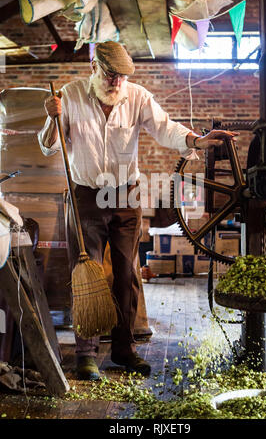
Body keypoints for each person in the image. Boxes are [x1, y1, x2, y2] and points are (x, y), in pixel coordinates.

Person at [38, 41, 238, 380]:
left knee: (127, 275)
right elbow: (48, 146)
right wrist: (50, 118)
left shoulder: (137, 96)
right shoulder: (69, 96)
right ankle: (86, 353)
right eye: (111, 75)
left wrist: (197, 141)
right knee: (85, 274)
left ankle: (124, 349)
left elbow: (165, 127)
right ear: (94, 67)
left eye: (122, 77)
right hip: (85, 196)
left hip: (126, 195)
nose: (117, 82)